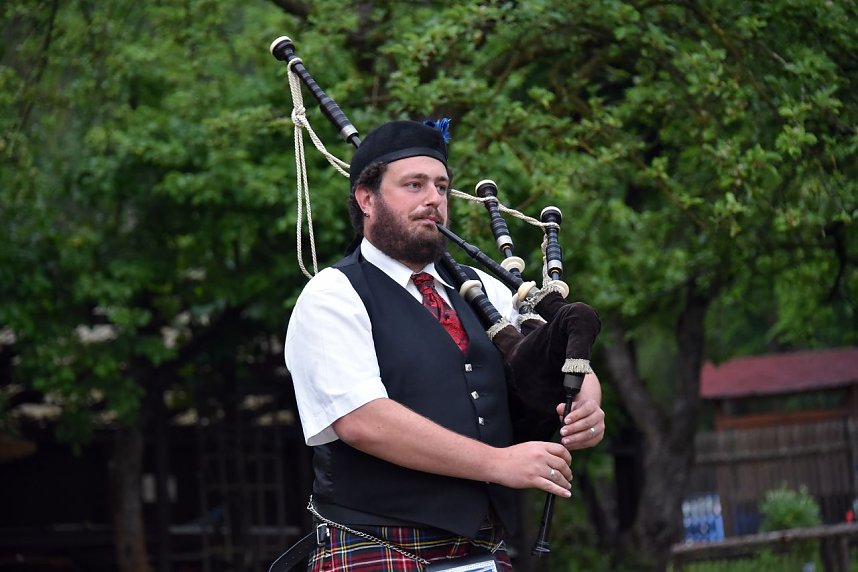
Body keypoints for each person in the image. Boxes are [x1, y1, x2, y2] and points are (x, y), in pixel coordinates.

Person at [284, 119, 604, 571]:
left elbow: (550, 352)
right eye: (414, 185)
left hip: (480, 550)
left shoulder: (483, 289)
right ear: (366, 199)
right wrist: (498, 463)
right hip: (376, 544)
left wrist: (587, 400)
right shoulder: (333, 295)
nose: (433, 198)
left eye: (441, 186)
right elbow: (360, 419)